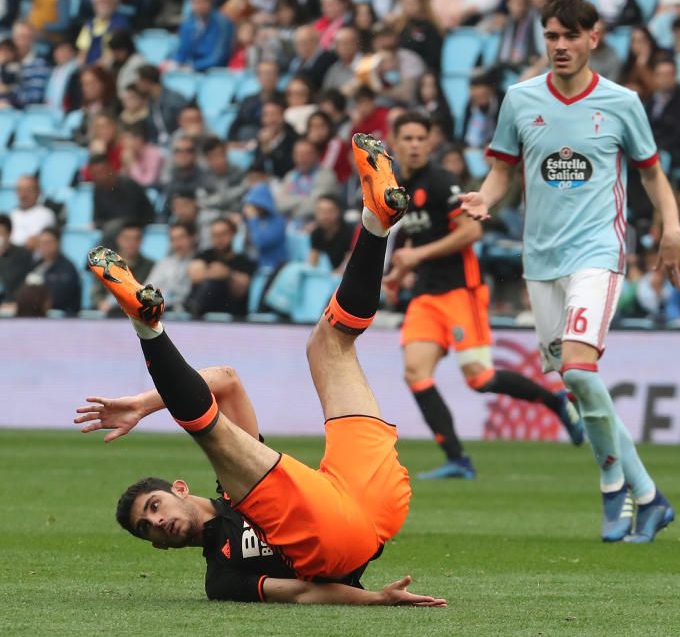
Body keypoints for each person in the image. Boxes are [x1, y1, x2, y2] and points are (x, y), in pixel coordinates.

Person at [74, 134, 446, 607]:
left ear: (178, 489)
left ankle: (376, 222)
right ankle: (147, 326)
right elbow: (303, 593)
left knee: (328, 345)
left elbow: (227, 379)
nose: (158, 525)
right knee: (219, 440)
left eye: (154, 507)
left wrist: (146, 403)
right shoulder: (221, 578)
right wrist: (377, 599)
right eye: (148, 531)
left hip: (358, 495)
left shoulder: (239, 485)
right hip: (341, 538)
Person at [461, 0, 680, 542]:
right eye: (551, 36)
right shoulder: (519, 98)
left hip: (598, 252)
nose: (560, 46)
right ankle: (650, 496)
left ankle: (615, 487)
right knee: (578, 385)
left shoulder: (621, 102)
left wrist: (673, 228)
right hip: (540, 260)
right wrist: (486, 199)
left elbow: (652, 174)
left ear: (594, 37)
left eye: (570, 36)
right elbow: (503, 171)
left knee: (580, 370)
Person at [384, 111, 584, 480]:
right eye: (407, 138)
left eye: (419, 138)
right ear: (395, 142)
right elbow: (413, 240)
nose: (413, 145)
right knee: (416, 373)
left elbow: (470, 234)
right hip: (426, 296)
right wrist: (398, 274)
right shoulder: (400, 190)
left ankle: (556, 402)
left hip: (461, 290)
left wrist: (416, 256)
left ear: (430, 142)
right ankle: (458, 459)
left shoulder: (443, 183)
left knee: (479, 377)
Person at [186, 217, 255, 318]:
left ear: (233, 234)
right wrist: (215, 273)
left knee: (214, 283)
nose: (219, 239)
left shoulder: (242, 260)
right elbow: (194, 274)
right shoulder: (205, 255)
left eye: (223, 234)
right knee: (210, 283)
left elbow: (242, 289)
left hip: (230, 310)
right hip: (204, 307)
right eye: (215, 235)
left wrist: (228, 274)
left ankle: (193, 308)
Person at [91, 222, 154, 316]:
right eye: (127, 238)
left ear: (141, 241)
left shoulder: (150, 265)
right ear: (118, 239)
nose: (131, 243)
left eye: (136, 239)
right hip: (110, 312)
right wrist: (101, 303)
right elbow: (96, 293)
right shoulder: (104, 264)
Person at [170, 0, 234, 72]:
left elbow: (218, 56)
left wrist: (193, 67)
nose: (198, 6)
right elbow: (182, 52)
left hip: (215, 72)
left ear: (210, 1)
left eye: (201, 1)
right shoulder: (187, 25)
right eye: (194, 2)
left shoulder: (223, 23)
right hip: (192, 71)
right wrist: (174, 63)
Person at [144, 222, 198, 313]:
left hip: (190, 313)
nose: (177, 243)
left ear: (192, 238)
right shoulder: (164, 263)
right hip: (161, 310)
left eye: (181, 238)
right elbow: (147, 289)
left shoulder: (200, 262)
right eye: (173, 239)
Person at [27, 227, 81, 314]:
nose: (45, 246)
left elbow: (61, 297)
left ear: (58, 243)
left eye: (48, 242)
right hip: (36, 313)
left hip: (62, 316)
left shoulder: (67, 267)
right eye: (42, 242)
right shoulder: (36, 265)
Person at [308, 194, 354, 272]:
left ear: (339, 211)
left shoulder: (350, 232)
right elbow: (312, 262)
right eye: (320, 211)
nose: (324, 216)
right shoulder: (316, 233)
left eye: (330, 211)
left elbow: (348, 263)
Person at [10, 176, 57, 251]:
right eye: (20, 190)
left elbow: (32, 243)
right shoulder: (11, 214)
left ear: (38, 192)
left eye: (28, 190)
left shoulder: (46, 214)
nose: (23, 195)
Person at [0, 214, 33, 308]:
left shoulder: (22, 254)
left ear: (9, 234)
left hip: (13, 305)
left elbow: (14, 283)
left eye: (1, 234)